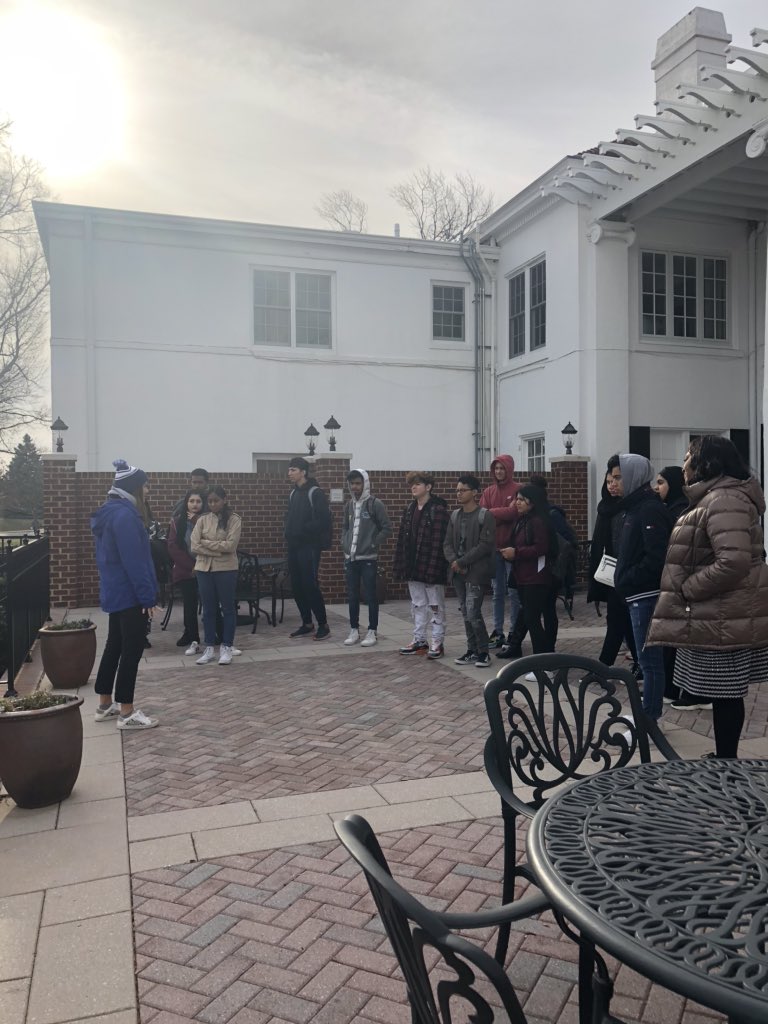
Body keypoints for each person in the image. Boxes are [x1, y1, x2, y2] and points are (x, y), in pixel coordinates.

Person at [648, 436, 768, 757]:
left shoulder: (723, 498)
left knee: (726, 695)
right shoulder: (717, 496)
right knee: (724, 695)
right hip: (721, 613)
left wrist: (690, 588)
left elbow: (733, 561)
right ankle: (725, 757)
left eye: (688, 456)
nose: (684, 464)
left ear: (707, 463)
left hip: (723, 613)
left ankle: (727, 762)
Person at [91, 459, 159, 730]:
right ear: (134, 487)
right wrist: (147, 597)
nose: (148, 491)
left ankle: (104, 704)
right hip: (131, 594)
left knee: (114, 646)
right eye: (145, 486)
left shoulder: (109, 512)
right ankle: (127, 712)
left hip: (115, 590)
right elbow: (135, 561)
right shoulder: (126, 516)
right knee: (131, 650)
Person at [610, 454, 672, 721]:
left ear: (633, 476)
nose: (614, 483)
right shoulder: (634, 507)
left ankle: (649, 718)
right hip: (636, 594)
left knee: (649, 661)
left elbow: (657, 557)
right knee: (647, 660)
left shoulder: (648, 509)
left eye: (618, 477)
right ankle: (648, 716)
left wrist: (629, 578)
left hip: (646, 595)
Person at [500, 484, 558, 677]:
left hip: (536, 577)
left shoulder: (537, 522)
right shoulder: (522, 520)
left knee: (532, 619)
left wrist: (516, 553)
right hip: (524, 576)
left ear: (532, 503)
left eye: (521, 500)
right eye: (516, 499)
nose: (517, 503)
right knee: (530, 618)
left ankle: (544, 666)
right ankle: (543, 662)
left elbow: (541, 548)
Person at [586, 470, 639, 674]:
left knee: (618, 620)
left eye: (617, 479)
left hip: (628, 573)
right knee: (622, 621)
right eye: (608, 481)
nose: (612, 485)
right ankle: (638, 663)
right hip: (611, 573)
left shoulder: (632, 508)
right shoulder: (606, 508)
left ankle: (603, 667)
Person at [393, 471, 450, 659]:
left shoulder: (438, 510)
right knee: (417, 604)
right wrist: (402, 562)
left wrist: (434, 567)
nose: (413, 487)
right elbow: (403, 538)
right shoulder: (410, 508)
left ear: (428, 487)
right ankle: (419, 640)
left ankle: (437, 642)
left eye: (417, 484)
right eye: (412, 484)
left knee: (435, 605)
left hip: (431, 564)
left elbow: (439, 542)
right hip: (413, 564)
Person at [444, 475, 495, 668]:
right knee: (465, 612)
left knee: (473, 611)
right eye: (457, 490)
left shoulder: (485, 516)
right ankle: (472, 650)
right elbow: (447, 543)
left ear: (474, 492)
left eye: (463, 490)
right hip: (458, 572)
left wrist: (462, 561)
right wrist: (454, 561)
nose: (459, 493)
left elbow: (485, 545)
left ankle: (484, 652)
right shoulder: (454, 516)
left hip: (476, 572)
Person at [191, 484, 242, 665]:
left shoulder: (234, 519)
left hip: (226, 569)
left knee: (227, 608)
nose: (212, 504)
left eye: (216, 501)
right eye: (210, 501)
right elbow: (194, 545)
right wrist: (216, 549)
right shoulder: (202, 520)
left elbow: (230, 545)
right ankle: (209, 647)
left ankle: (226, 646)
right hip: (204, 569)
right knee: (208, 610)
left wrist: (206, 544)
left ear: (224, 500)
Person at [341, 469, 392, 648]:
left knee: (370, 595)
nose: (355, 487)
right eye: (352, 484)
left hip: (368, 558)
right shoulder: (348, 505)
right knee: (352, 595)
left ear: (365, 484)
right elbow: (345, 527)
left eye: (358, 483)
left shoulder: (375, 504)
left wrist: (373, 543)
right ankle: (354, 630)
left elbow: (386, 528)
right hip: (351, 558)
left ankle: (372, 631)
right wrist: (344, 543)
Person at [653, 465, 691, 706]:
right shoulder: (668, 508)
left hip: (679, 582)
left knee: (674, 639)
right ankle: (669, 687)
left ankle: (673, 688)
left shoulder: (680, 511)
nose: (657, 488)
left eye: (661, 482)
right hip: (672, 581)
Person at [285, 457, 332, 640]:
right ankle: (307, 623)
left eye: (293, 470)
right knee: (296, 586)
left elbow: (324, 520)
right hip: (294, 546)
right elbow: (289, 517)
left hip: (309, 546)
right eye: (289, 470)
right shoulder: (293, 493)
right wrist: (288, 532)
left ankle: (323, 625)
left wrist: (303, 529)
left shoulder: (315, 493)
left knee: (310, 585)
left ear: (303, 472)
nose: (289, 473)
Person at [479, 455, 521, 648]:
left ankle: (514, 631)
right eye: (496, 468)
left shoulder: (518, 489)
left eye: (502, 468)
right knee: (497, 593)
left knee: (514, 592)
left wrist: (492, 512)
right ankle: (498, 631)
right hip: (494, 549)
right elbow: (482, 517)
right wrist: (504, 512)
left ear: (509, 469)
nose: (499, 472)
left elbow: (515, 513)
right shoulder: (488, 491)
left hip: (512, 549)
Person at [167, 489, 205, 654]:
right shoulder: (177, 522)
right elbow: (173, 547)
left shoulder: (208, 520)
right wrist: (191, 566)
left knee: (211, 603)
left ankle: (217, 633)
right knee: (190, 605)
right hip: (186, 570)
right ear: (186, 503)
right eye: (191, 501)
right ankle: (192, 636)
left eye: (198, 501)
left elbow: (212, 541)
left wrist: (198, 522)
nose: (195, 504)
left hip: (206, 567)